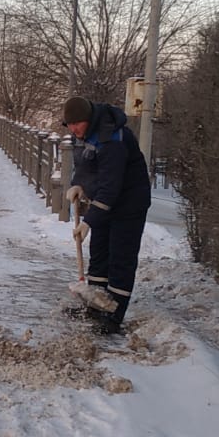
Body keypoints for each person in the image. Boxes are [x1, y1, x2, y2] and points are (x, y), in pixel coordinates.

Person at [62, 96, 152, 335]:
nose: (73, 129)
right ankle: (95, 306)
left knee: (120, 258)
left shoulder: (113, 139)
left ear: (88, 120)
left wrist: (89, 221)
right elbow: (85, 165)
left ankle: (113, 315)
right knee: (99, 254)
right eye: (69, 125)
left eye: (77, 124)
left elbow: (111, 186)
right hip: (105, 201)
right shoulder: (84, 134)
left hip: (129, 203)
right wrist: (79, 185)